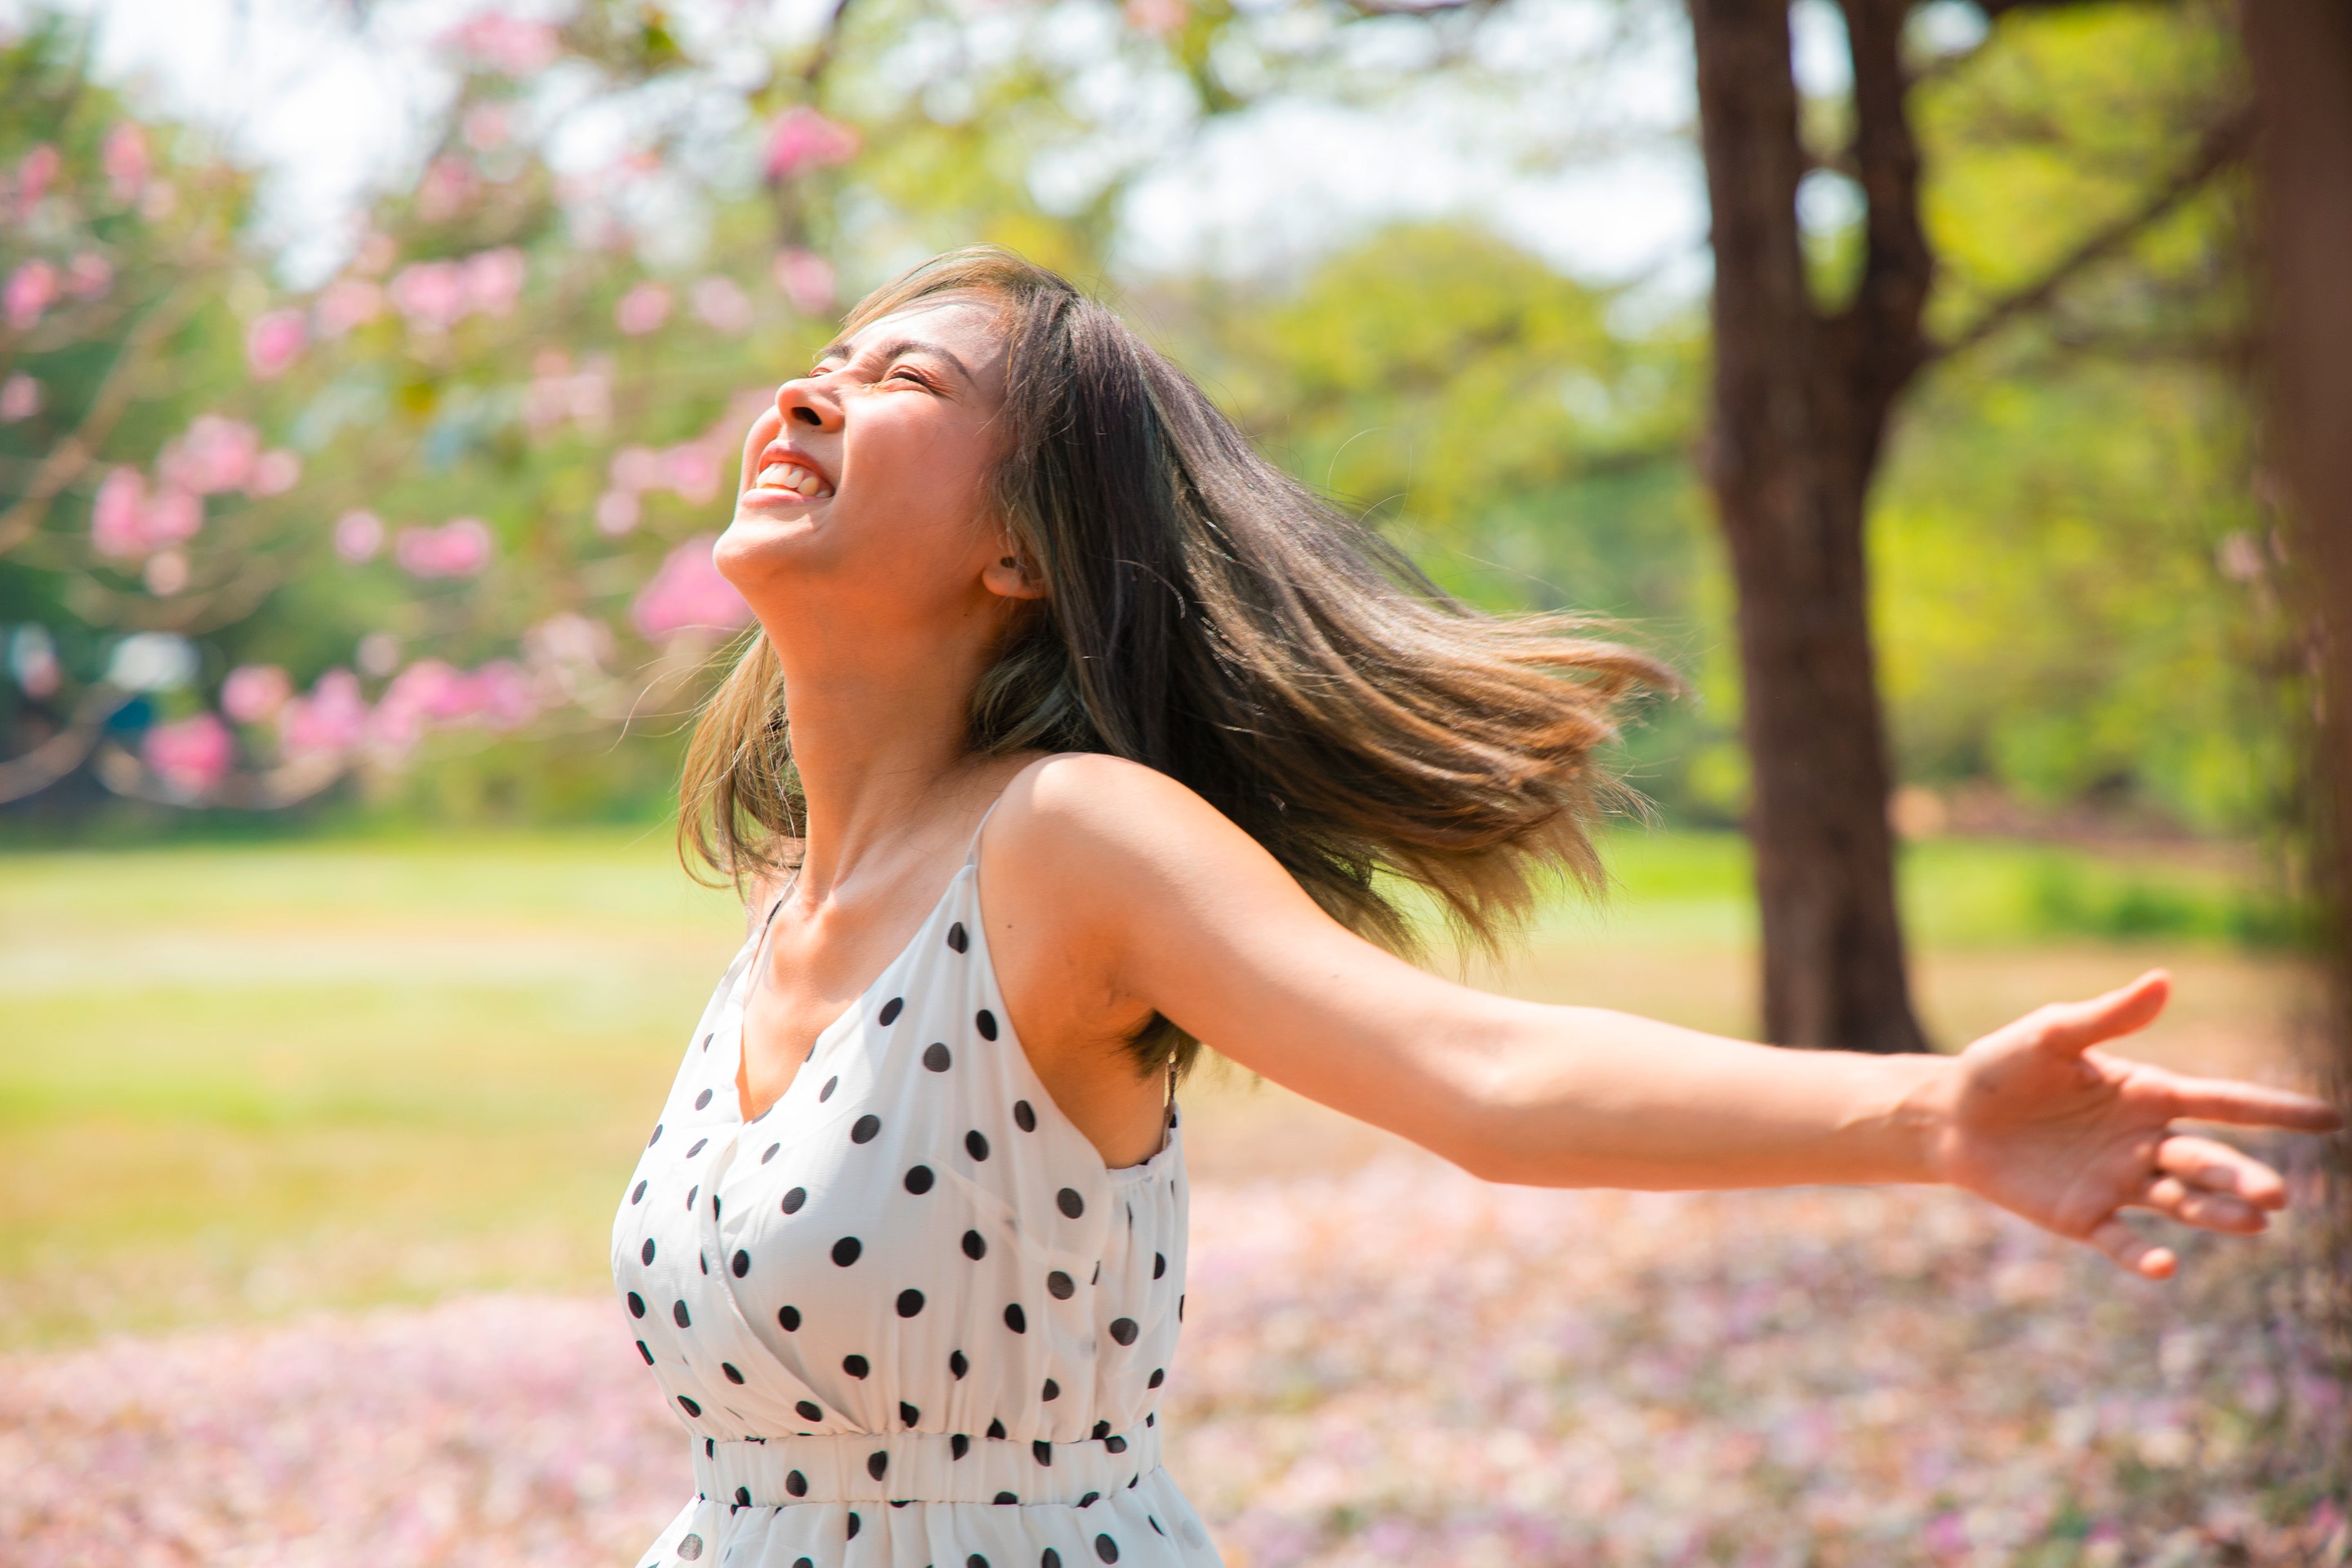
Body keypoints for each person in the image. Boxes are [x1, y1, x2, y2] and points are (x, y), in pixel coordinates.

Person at [613, 247, 2341, 1568]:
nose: (809, 393)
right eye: (821, 362)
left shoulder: (1071, 844)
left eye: (900, 376)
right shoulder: (784, 911)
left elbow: (1482, 1076)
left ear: (1026, 553)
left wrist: (1932, 1111)